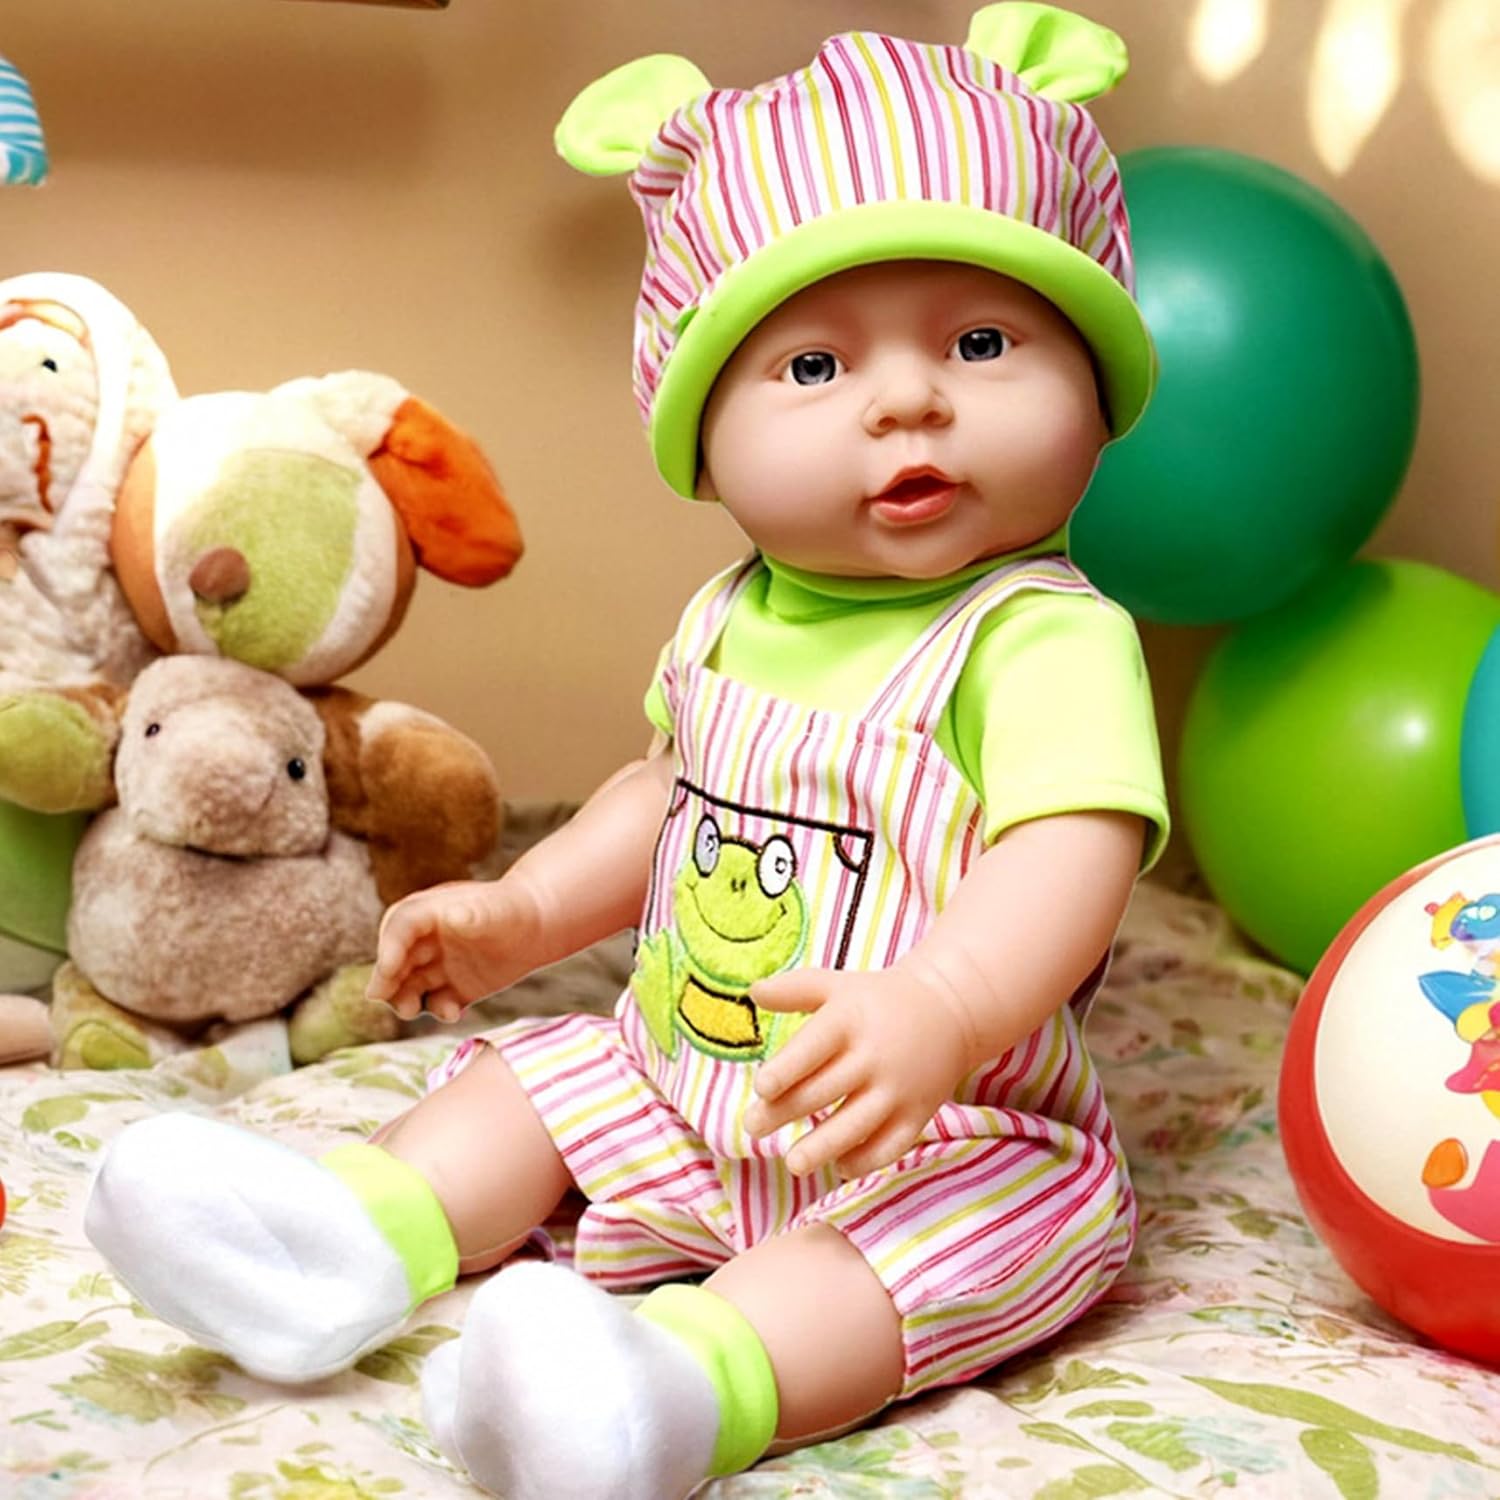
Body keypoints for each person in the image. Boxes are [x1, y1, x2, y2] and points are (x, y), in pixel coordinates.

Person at [85, 7, 1169, 1497]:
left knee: (973, 1236)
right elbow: (665, 795)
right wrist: (526, 911)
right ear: (703, 438)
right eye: (814, 364)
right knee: (538, 1082)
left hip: (939, 1126)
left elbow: (1072, 853)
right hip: (688, 1086)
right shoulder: (733, 613)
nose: (910, 398)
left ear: (1097, 384)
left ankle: (671, 1392)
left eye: (983, 343)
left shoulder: (1041, 638)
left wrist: (942, 1002)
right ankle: (336, 1242)